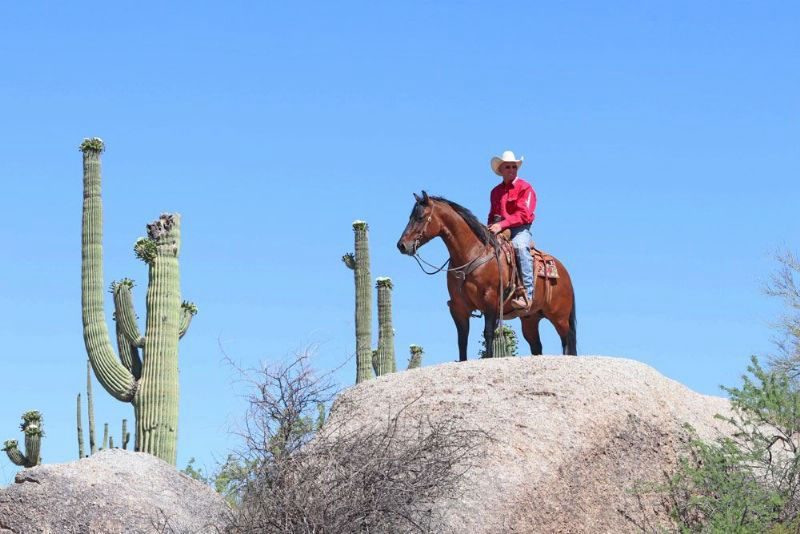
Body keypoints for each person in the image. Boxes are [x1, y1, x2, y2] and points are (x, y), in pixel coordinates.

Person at [487, 150, 537, 310]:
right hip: (498, 229)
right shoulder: (495, 192)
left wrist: (502, 225)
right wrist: (489, 228)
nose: (511, 170)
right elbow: (492, 214)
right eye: (507, 167)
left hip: (519, 229)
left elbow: (524, 215)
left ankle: (527, 295)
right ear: (501, 170)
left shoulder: (525, 188)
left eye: (513, 167)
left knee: (520, 248)